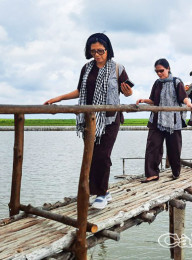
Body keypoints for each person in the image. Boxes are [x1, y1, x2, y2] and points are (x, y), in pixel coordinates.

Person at [44, 33, 133, 210]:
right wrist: (59, 98)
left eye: (101, 51)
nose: (97, 54)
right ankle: (103, 191)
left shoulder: (118, 68)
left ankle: (100, 194)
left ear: (108, 50)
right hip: (89, 119)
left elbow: (127, 92)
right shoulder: (86, 68)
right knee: (91, 155)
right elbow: (80, 90)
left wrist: (128, 92)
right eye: (93, 51)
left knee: (103, 155)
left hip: (109, 119)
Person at [136, 58, 192, 182]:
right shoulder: (157, 83)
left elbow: (183, 98)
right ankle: (152, 173)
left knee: (174, 148)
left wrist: (189, 104)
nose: (159, 73)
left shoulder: (176, 82)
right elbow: (153, 100)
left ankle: (175, 172)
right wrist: (143, 100)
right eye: (156, 71)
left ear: (168, 68)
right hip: (156, 119)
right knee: (153, 146)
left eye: (161, 71)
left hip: (172, 120)